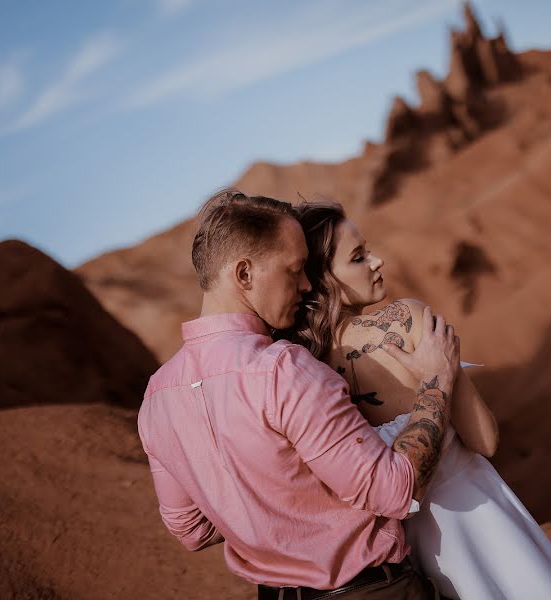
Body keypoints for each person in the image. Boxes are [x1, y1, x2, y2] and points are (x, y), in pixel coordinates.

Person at [137, 189, 464, 599]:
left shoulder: (157, 397)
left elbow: (191, 530)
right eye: (294, 270)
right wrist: (437, 382)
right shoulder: (283, 370)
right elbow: (394, 490)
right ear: (244, 274)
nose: (306, 284)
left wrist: (254, 499)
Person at [283, 199, 551, 600]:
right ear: (323, 278)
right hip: (479, 516)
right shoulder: (409, 320)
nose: (377, 261)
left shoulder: (302, 369)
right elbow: (485, 439)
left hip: (411, 550)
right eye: (358, 257)